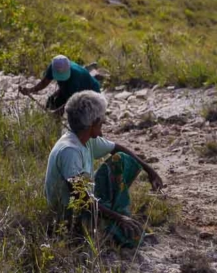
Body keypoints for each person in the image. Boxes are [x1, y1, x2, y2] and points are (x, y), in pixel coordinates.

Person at [45, 91, 164, 246]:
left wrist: (150, 171)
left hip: (86, 200)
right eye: (101, 122)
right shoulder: (70, 151)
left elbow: (118, 148)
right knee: (131, 237)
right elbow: (81, 199)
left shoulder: (84, 138)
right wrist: (118, 218)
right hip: (71, 214)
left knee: (120, 159)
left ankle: (113, 215)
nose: (102, 125)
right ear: (93, 123)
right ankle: (110, 222)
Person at [19, 55, 101, 113]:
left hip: (90, 92)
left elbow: (72, 100)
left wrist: (56, 112)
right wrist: (30, 90)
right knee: (52, 102)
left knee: (83, 117)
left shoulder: (76, 75)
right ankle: (54, 129)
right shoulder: (53, 67)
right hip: (70, 89)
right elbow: (44, 82)